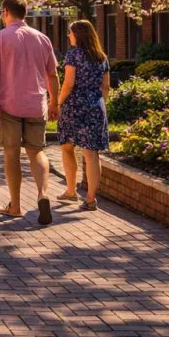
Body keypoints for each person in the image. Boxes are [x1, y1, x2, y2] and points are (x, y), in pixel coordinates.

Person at [0, 0, 60, 225]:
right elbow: (52, 74)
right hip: (36, 104)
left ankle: (15, 205)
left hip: (8, 104)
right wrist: (55, 102)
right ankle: (43, 194)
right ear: (25, 13)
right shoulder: (42, 38)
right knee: (37, 151)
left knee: (11, 153)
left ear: (6, 12)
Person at [57, 19, 111, 211]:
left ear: (78, 35)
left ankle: (71, 190)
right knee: (91, 154)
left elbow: (69, 83)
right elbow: (105, 87)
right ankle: (90, 199)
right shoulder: (101, 57)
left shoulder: (73, 55)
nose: (68, 36)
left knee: (66, 146)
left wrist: (59, 101)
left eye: (70, 32)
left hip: (74, 105)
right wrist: (97, 103)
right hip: (95, 106)